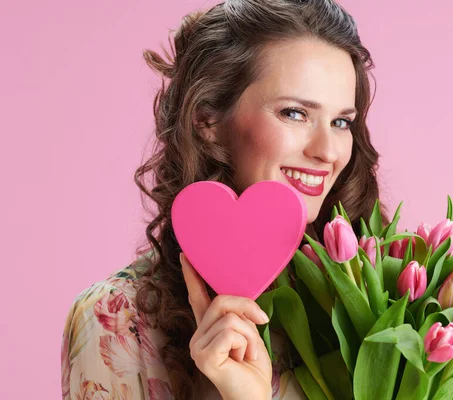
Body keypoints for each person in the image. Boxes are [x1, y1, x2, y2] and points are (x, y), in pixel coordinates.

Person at [60, 0, 390, 398]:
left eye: (341, 122)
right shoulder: (117, 320)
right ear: (208, 121)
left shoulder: (378, 300)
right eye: (295, 113)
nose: (328, 151)